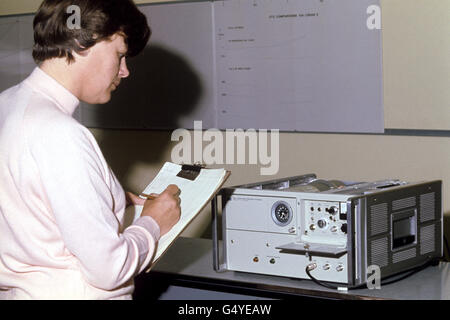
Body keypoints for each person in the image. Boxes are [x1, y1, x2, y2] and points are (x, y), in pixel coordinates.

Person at [0, 0, 181, 299]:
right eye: (120, 55)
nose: (125, 72)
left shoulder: (7, 105)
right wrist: (153, 223)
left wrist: (107, 200)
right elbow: (110, 269)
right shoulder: (61, 133)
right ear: (80, 42)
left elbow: (26, 204)